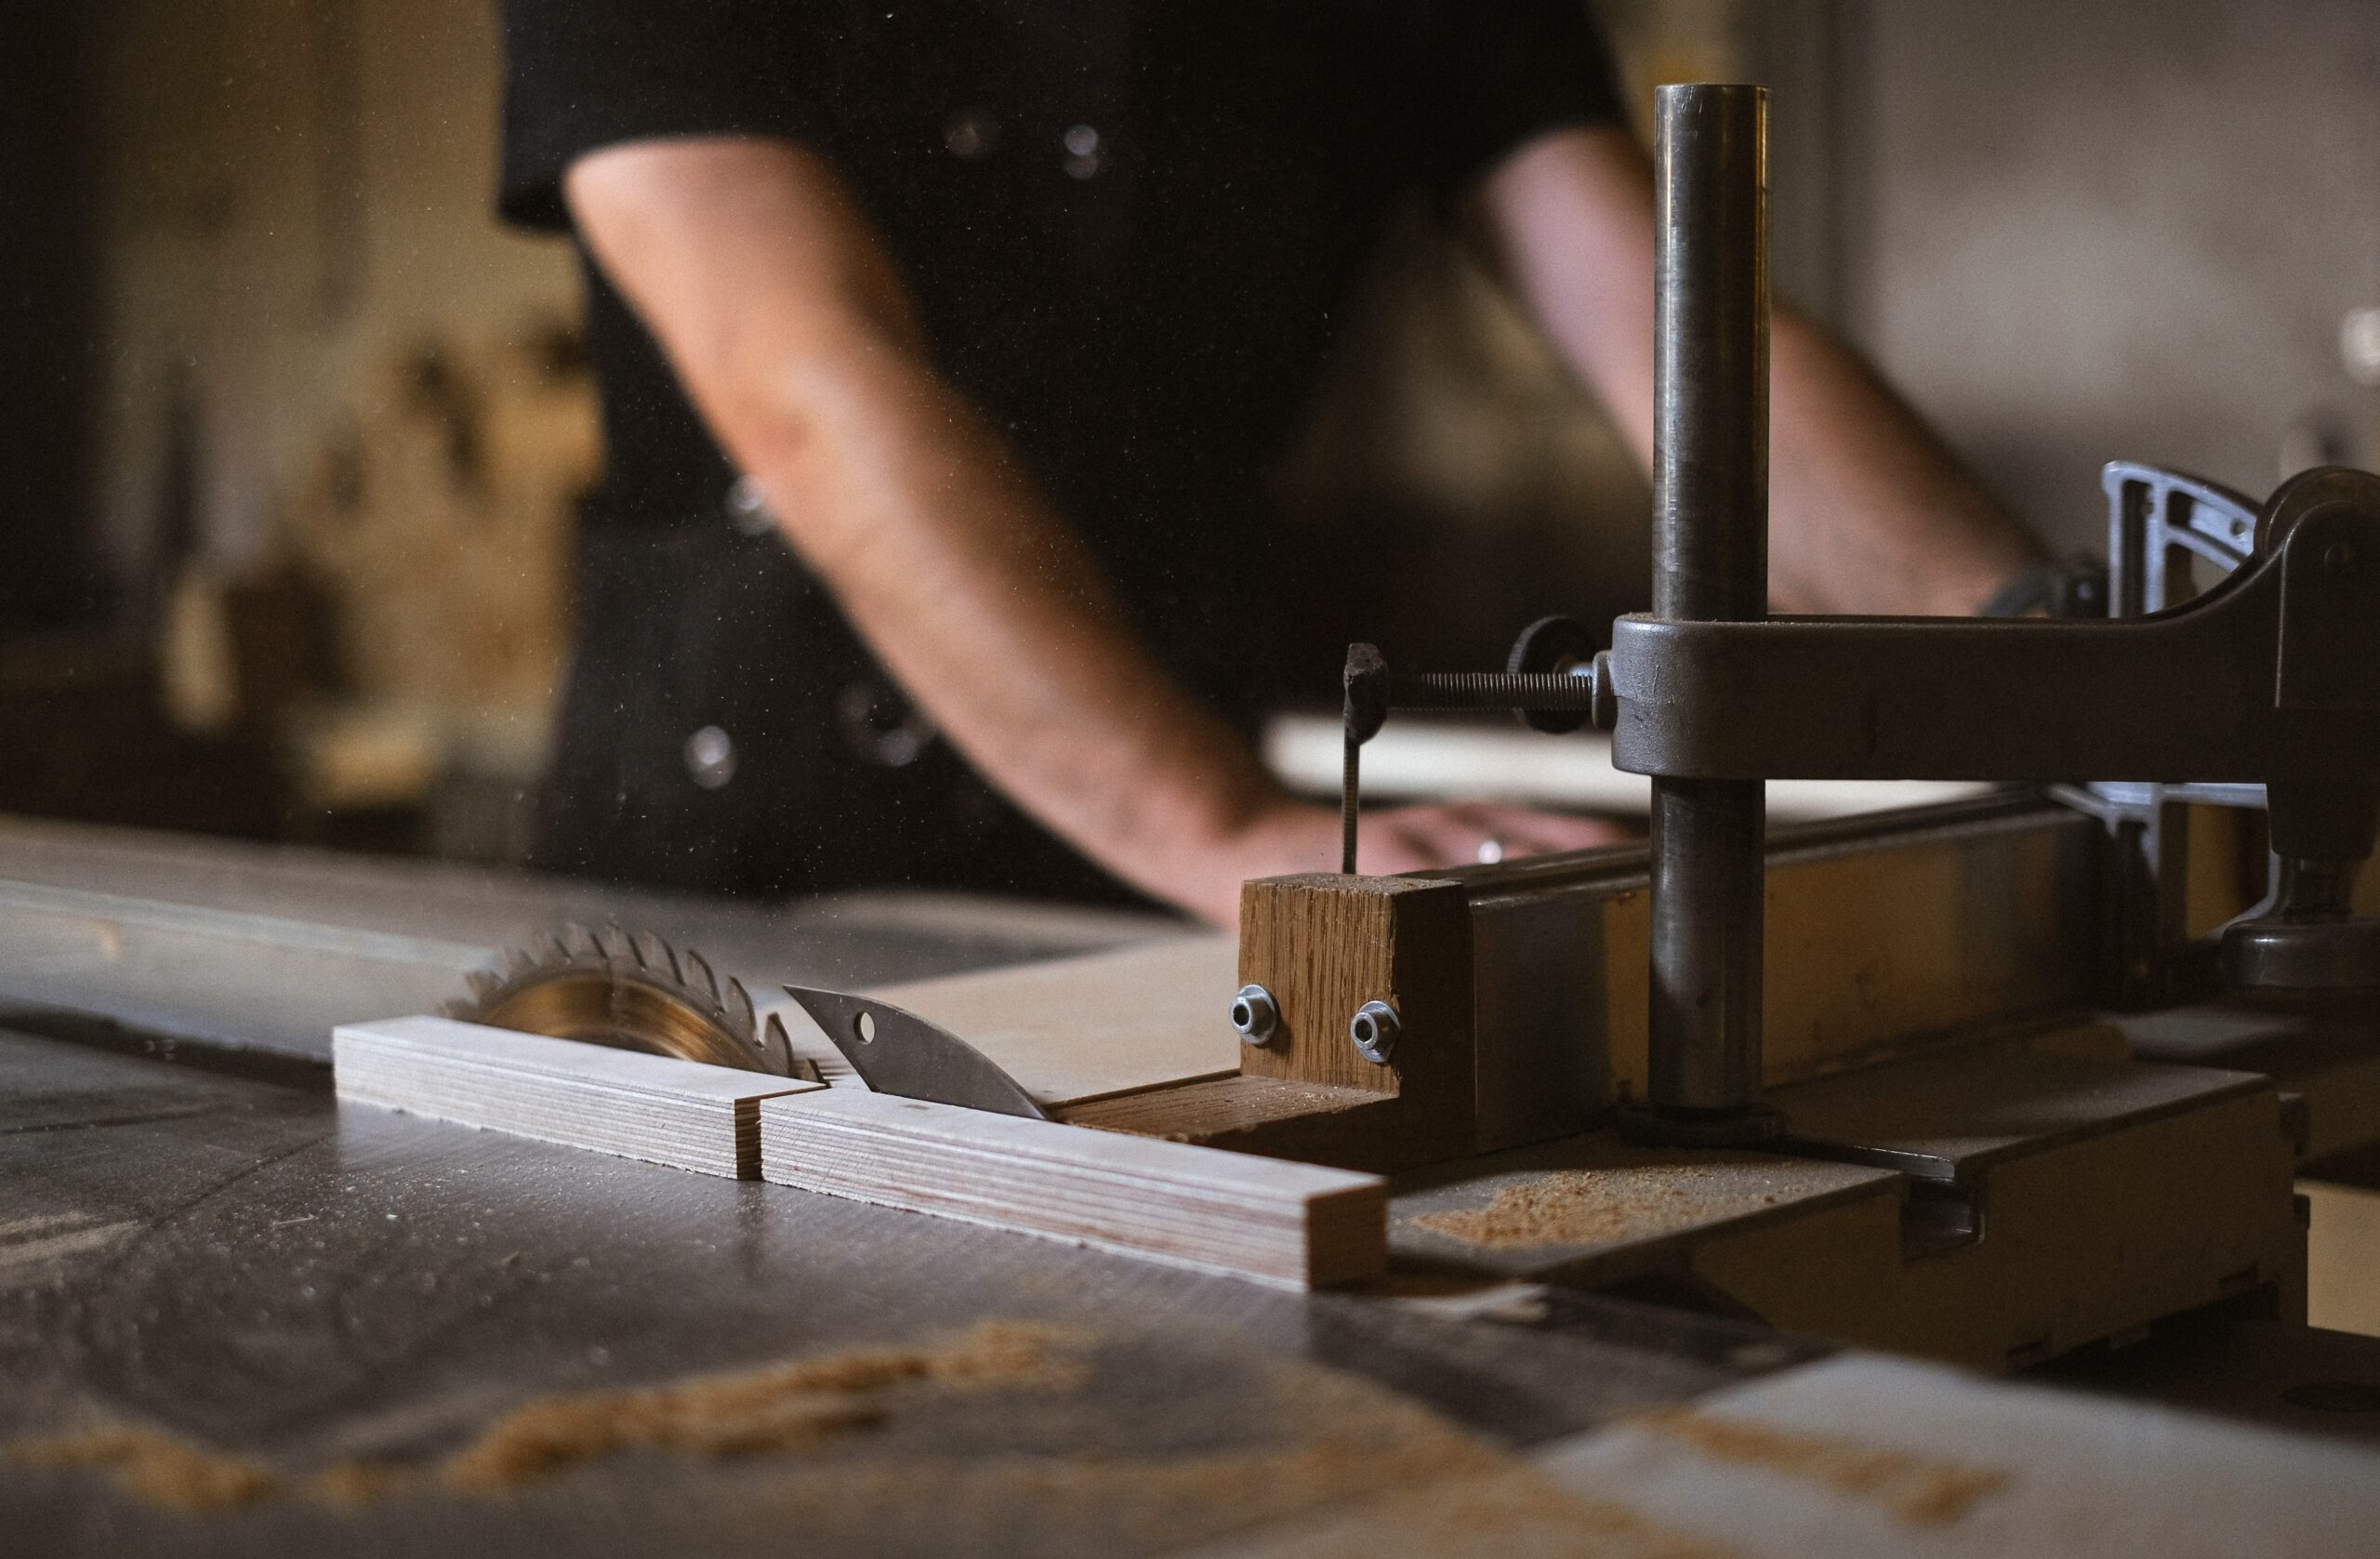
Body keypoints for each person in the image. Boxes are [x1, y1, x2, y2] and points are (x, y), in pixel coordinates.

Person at [496, 1, 2043, 927]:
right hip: (737, 890)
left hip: (1175, 879)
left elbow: (1677, 337)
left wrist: (2065, 654)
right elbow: (810, 385)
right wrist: (1217, 825)